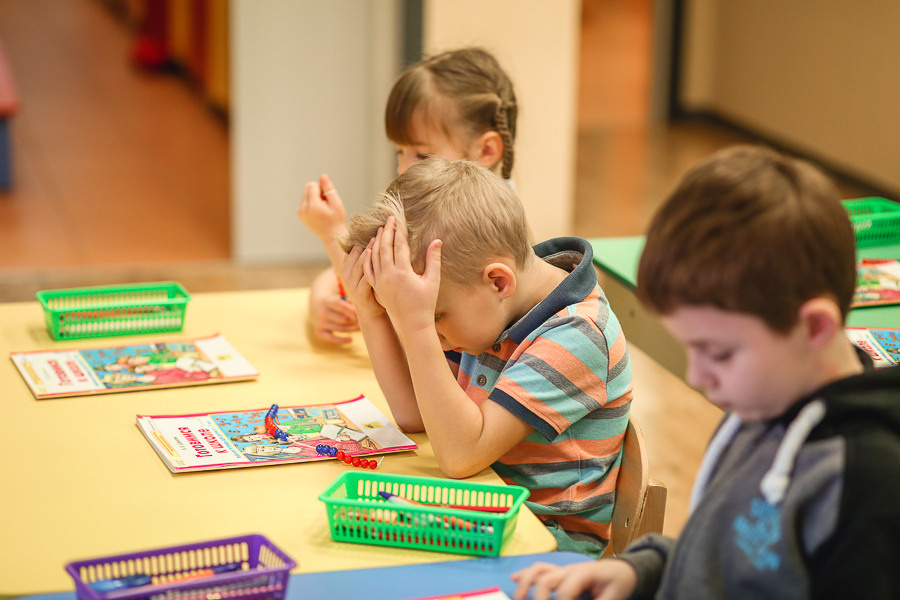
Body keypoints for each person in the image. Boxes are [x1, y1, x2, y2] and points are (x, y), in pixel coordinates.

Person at [510, 145, 900, 599]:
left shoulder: (866, 485)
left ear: (813, 327)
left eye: (718, 351)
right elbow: (728, 558)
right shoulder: (762, 406)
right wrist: (642, 573)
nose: (698, 375)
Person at [338, 157, 633, 557]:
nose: (436, 332)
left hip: (546, 549)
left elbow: (461, 455)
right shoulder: (488, 314)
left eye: (438, 314)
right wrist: (373, 313)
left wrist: (417, 325)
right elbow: (415, 415)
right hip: (480, 511)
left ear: (498, 281)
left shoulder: (578, 336)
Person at [299, 47, 518, 344]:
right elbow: (360, 272)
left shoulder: (475, 227)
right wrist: (322, 299)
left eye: (421, 153)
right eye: (400, 151)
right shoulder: (436, 206)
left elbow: (396, 319)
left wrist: (331, 235)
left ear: (487, 151)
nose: (403, 167)